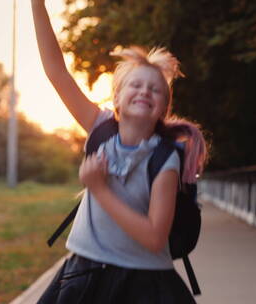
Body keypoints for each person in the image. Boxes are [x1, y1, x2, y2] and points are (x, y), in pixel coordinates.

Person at [32, 1, 208, 303]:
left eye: (154, 90)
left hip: (142, 281)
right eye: (135, 85)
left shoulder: (164, 160)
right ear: (117, 98)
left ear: (163, 108)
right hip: (85, 271)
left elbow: (154, 237)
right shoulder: (99, 127)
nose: (144, 91)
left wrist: (99, 190)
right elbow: (55, 71)